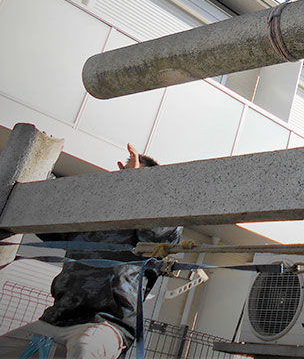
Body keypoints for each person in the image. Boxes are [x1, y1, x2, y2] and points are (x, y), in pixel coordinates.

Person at [0, 144, 182, 359]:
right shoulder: (91, 217)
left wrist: (135, 184)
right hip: (57, 317)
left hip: (108, 324)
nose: (123, 175)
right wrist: (40, 177)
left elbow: (162, 235)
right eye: (123, 171)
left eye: (132, 171)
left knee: (85, 348)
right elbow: (49, 226)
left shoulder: (159, 220)